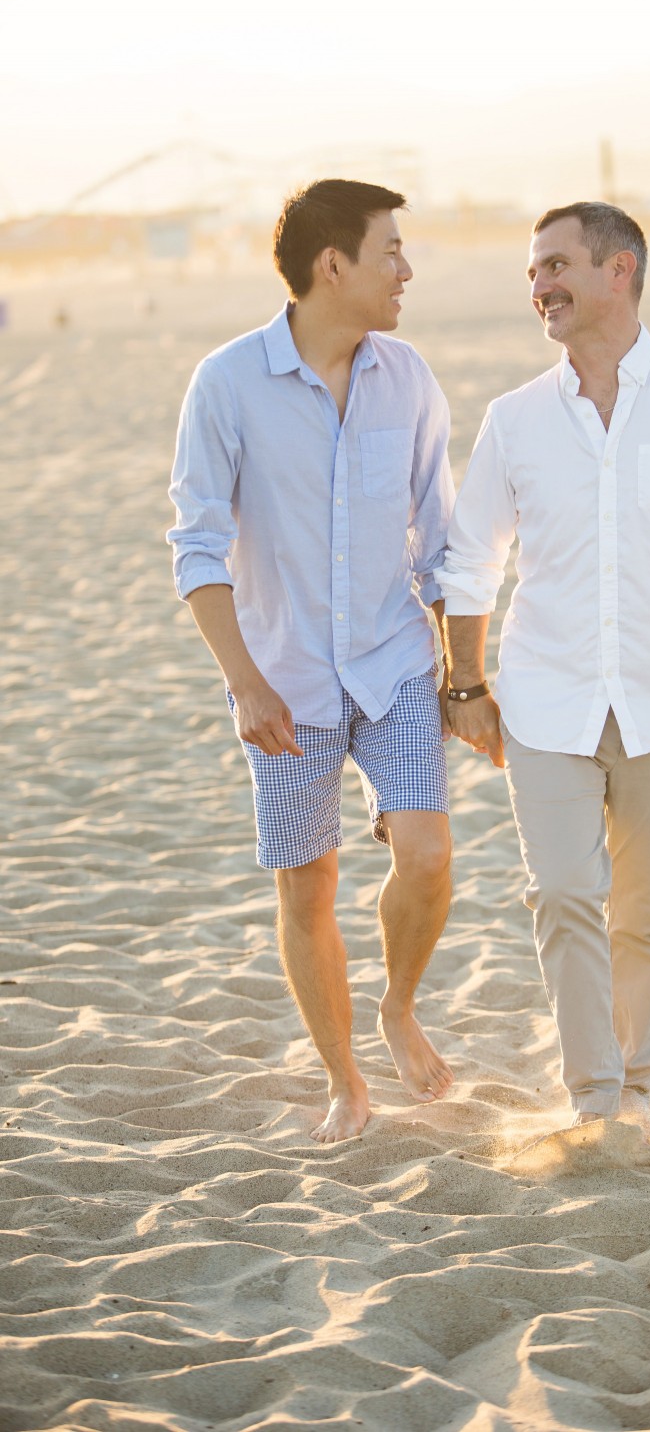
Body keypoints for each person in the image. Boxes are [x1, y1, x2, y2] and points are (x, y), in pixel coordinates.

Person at [440, 201, 650, 1133]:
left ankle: (634, 1086)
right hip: (544, 700)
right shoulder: (513, 420)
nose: (538, 285)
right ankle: (592, 1096)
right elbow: (470, 558)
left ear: (618, 269)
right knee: (560, 893)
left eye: (554, 266)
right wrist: (465, 684)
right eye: (530, 272)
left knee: (644, 915)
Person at [167, 179, 455, 1145]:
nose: (406, 269)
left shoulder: (407, 376)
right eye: (390, 252)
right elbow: (196, 548)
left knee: (424, 852)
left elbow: (441, 542)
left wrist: (462, 678)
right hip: (284, 679)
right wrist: (243, 680)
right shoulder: (226, 383)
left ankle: (398, 1005)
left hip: (393, 662)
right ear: (333, 267)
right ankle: (345, 1080)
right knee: (309, 888)